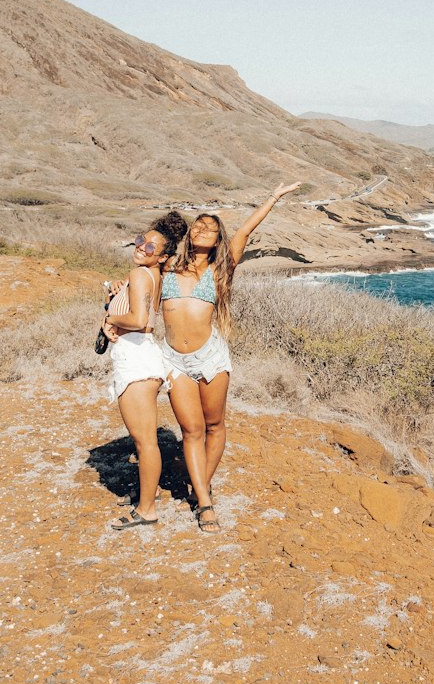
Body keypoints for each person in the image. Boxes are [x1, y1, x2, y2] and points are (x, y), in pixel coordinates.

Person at [161, 182, 301, 533]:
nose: (204, 230)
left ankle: (200, 488)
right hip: (173, 359)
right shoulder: (167, 268)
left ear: (218, 238)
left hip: (210, 356)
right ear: (189, 233)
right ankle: (205, 504)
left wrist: (273, 197)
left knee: (214, 425)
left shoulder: (221, 269)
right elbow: (139, 280)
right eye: (199, 225)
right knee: (190, 430)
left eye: (211, 228)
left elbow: (246, 229)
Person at [101, 210, 187, 529]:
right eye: (141, 240)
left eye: (152, 247)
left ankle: (147, 509)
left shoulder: (140, 275)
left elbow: (138, 320)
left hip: (136, 358)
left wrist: (111, 319)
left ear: (162, 256)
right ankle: (147, 496)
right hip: (142, 355)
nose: (142, 248)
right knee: (144, 439)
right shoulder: (152, 276)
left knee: (144, 441)